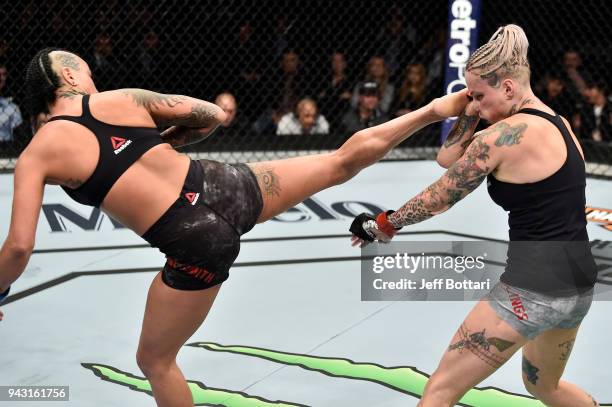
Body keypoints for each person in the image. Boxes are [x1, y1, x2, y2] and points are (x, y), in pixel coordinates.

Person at [0, 47, 467, 407]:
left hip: (195, 242)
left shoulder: (38, 153)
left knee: (155, 361)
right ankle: (431, 112)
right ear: (67, 77)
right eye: (85, 70)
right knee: (340, 162)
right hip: (224, 185)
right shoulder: (123, 99)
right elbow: (212, 114)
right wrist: (173, 138)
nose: (91, 77)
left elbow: (19, 247)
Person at [350, 25, 600, 407]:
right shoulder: (560, 125)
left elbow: (439, 197)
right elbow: (449, 158)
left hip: (530, 291)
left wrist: (384, 224)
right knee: (543, 387)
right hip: (577, 287)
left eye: (481, 96)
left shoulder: (500, 138)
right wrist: (468, 112)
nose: (477, 105)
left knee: (439, 393)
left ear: (509, 88)